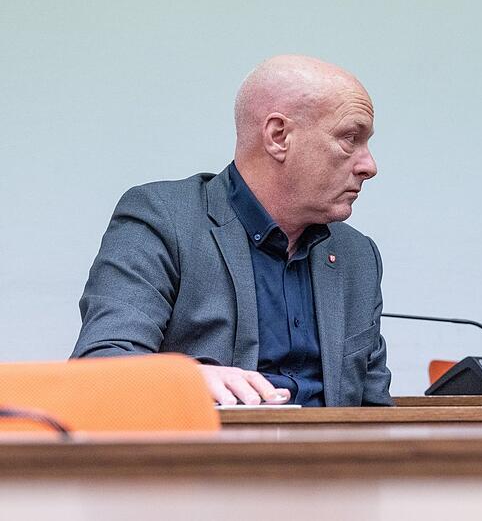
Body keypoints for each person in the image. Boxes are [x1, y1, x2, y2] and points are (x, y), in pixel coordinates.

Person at [72, 55, 392, 407]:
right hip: (211, 456)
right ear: (278, 136)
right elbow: (100, 366)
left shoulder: (357, 256)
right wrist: (189, 378)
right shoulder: (163, 218)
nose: (369, 166)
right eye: (350, 138)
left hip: (335, 458)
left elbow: (376, 409)